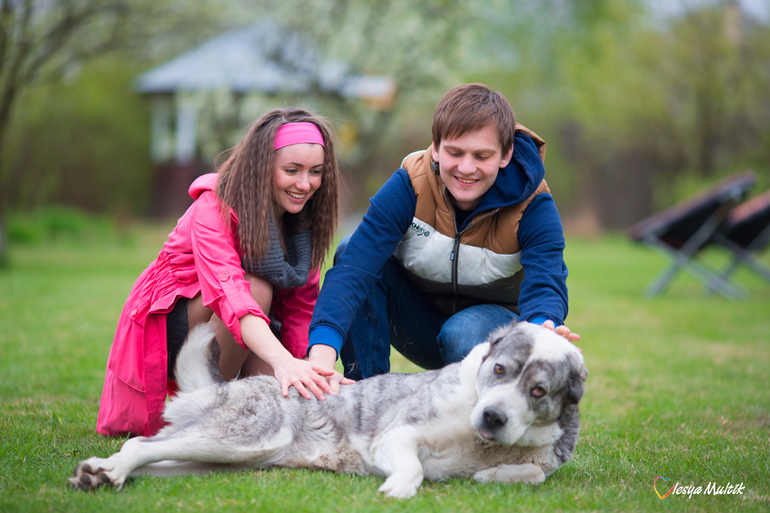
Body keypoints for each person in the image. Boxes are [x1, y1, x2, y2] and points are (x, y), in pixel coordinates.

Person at [97, 107, 350, 438]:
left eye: (315, 172)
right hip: (177, 318)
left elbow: (302, 308)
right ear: (262, 168)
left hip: (246, 324)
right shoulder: (214, 206)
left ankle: (231, 407)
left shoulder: (301, 223)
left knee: (286, 402)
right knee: (256, 288)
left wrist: (311, 370)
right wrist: (283, 360)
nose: (305, 184)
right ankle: (209, 411)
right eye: (292, 170)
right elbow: (230, 293)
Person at [306, 83, 580, 380]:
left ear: (505, 155)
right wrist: (322, 350)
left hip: (485, 334)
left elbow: (546, 278)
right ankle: (366, 398)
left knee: (462, 331)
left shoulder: (534, 204)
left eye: (482, 156)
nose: (466, 167)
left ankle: (482, 411)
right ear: (435, 148)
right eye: (455, 152)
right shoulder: (410, 184)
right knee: (349, 248)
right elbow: (355, 266)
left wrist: (542, 326)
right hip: (419, 325)